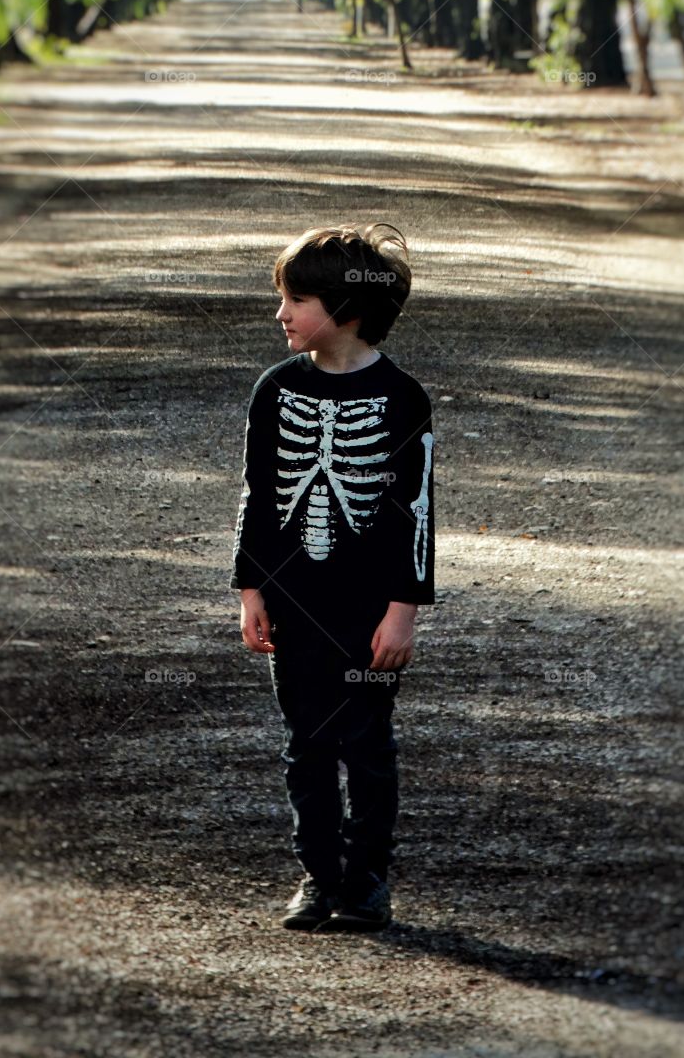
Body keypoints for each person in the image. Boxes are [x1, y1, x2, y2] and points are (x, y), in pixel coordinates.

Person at [230, 222, 436, 932]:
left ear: (345, 310)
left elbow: (416, 509)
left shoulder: (402, 397)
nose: (280, 313)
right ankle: (318, 876)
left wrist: (404, 608)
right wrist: (250, 589)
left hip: (368, 607)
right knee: (306, 743)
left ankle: (367, 881)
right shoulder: (275, 389)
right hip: (293, 602)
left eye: (295, 300)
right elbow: (258, 495)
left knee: (367, 743)